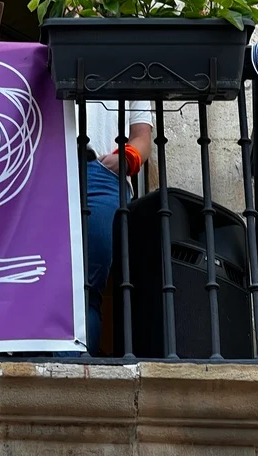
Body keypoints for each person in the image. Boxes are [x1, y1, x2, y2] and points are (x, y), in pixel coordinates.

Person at [79, 100, 153, 355]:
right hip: (46, 166)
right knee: (41, 280)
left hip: (102, 175)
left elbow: (142, 136)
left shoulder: (134, 72)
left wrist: (124, 160)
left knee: (88, 287)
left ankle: (73, 369)